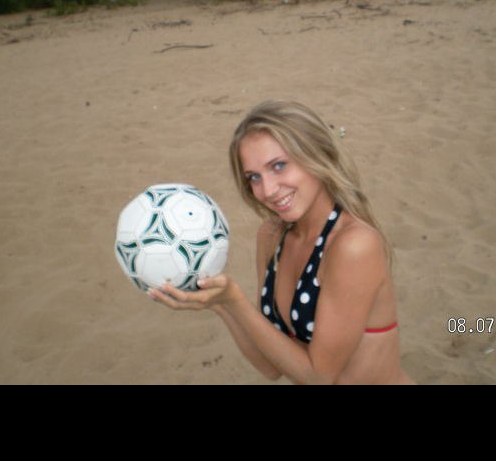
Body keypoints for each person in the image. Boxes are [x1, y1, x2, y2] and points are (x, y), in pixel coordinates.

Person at [148, 100, 415, 385]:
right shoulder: (272, 236)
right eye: (254, 177)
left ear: (317, 154)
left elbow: (319, 376)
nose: (268, 190)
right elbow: (271, 366)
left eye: (279, 166)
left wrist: (235, 300)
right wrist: (220, 304)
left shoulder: (354, 246)